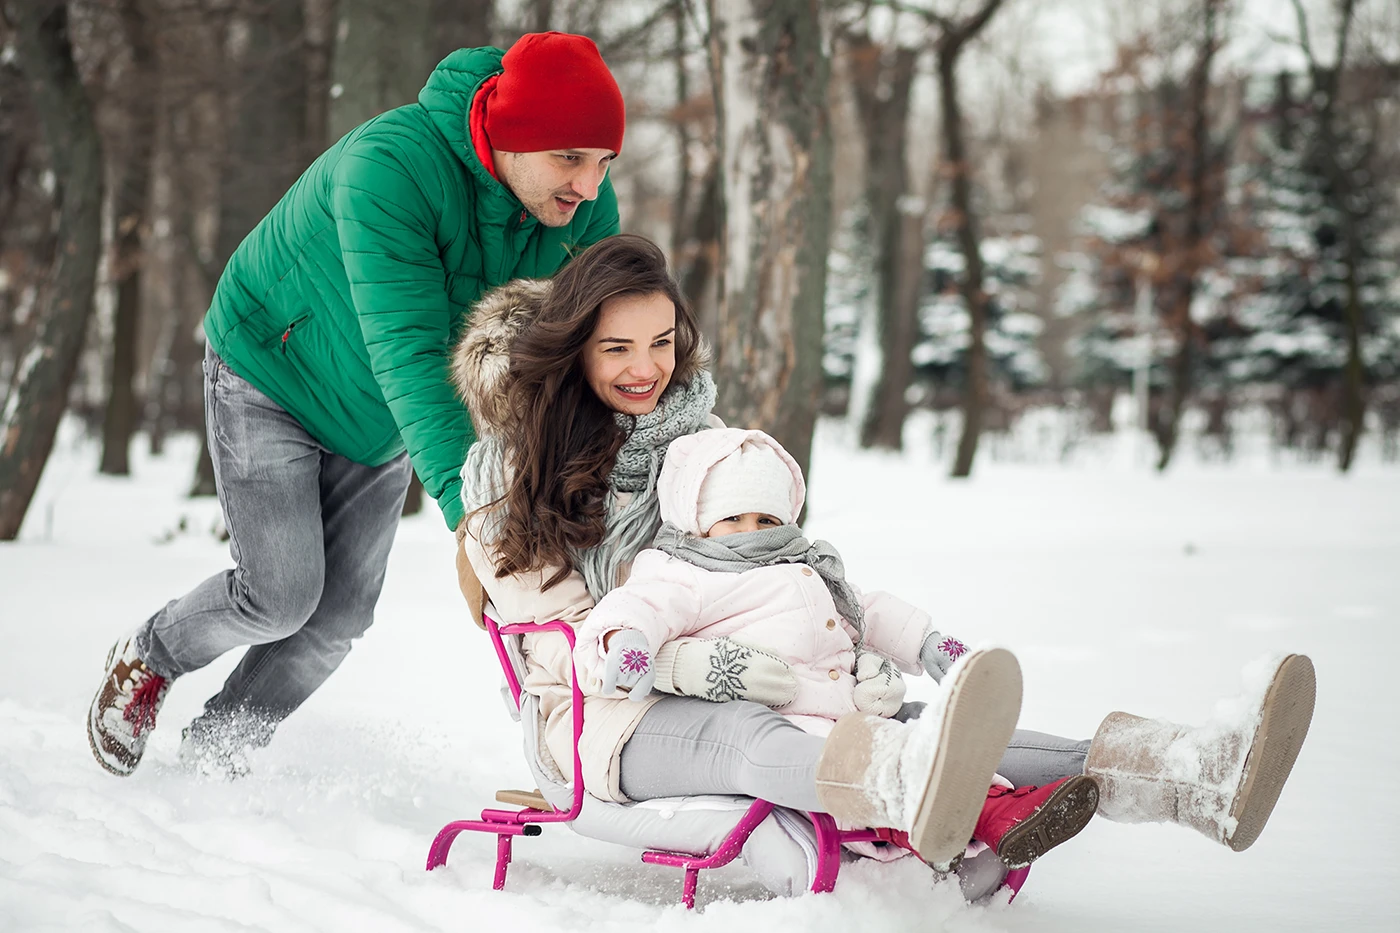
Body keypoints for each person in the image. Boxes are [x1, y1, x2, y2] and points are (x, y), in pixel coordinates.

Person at [454, 233, 1317, 877]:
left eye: (662, 342)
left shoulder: (702, 441)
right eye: (617, 348)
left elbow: (766, 560)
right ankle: (910, 787)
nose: (648, 369)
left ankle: (1191, 772)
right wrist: (704, 662)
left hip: (768, 673)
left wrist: (826, 640)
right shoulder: (505, 472)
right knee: (758, 731)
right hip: (602, 715)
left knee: (908, 727)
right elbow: (574, 642)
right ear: (572, 348)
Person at [88, 32, 627, 778]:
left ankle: (220, 745)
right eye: (570, 157)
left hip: (377, 422)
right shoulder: (391, 166)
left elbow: (593, 356)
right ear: (512, 134)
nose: (590, 187)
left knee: (338, 618)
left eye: (604, 162)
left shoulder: (583, 214)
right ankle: (149, 655)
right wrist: (474, 517)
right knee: (280, 596)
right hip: (272, 373)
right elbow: (412, 352)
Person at [573, 427, 1101, 870]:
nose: (750, 533)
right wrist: (628, 643)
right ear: (695, 519)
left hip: (846, 713)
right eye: (733, 519)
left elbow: (866, 611)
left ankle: (1022, 801)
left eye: (766, 520)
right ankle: (969, 806)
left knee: (922, 728)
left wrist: (928, 642)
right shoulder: (682, 569)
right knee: (858, 756)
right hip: (777, 718)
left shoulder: (807, 566)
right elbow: (636, 607)